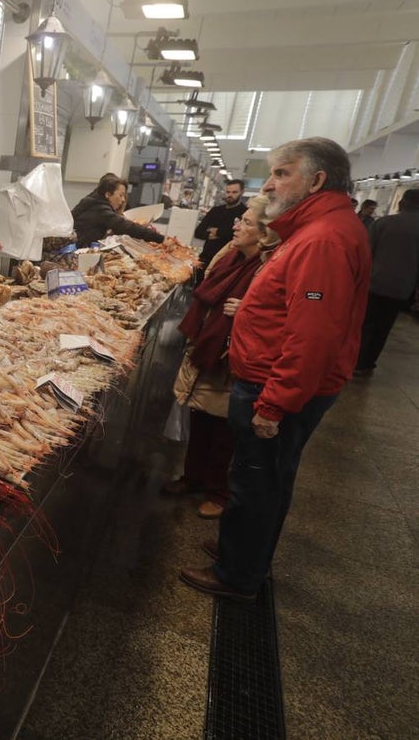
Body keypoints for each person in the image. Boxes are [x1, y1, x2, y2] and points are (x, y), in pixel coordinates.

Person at [180, 137, 371, 602]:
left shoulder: (323, 239)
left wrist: (275, 404)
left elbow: (314, 336)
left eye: (282, 173)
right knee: (263, 478)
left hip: (276, 387)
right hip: (274, 379)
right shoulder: (316, 229)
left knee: (257, 481)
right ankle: (244, 550)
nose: (269, 183)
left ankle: (238, 574)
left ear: (316, 180)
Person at [164, 194, 279, 519]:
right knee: (200, 414)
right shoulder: (229, 255)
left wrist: (248, 310)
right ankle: (193, 476)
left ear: (265, 233)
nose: (236, 225)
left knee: (224, 428)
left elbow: (286, 313)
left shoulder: (268, 267)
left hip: (233, 354)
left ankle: (218, 490)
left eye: (246, 222)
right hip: (207, 345)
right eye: (239, 219)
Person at [354, 188, 419, 375]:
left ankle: (355, 361)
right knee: (383, 326)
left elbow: (365, 254)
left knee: (364, 323)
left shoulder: (382, 223)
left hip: (373, 283)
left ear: (401, 203)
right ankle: (368, 364)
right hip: (401, 288)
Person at [70, 173, 165, 246]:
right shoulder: (100, 208)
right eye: (120, 195)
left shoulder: (95, 201)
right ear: (107, 194)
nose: (123, 200)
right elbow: (125, 226)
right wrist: (161, 239)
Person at [193, 179, 248, 283]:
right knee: (196, 290)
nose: (230, 195)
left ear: (242, 192)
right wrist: (225, 233)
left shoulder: (244, 213)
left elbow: (238, 236)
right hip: (205, 258)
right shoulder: (216, 211)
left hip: (227, 263)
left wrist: (217, 231)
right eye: (228, 192)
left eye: (234, 192)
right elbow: (198, 232)